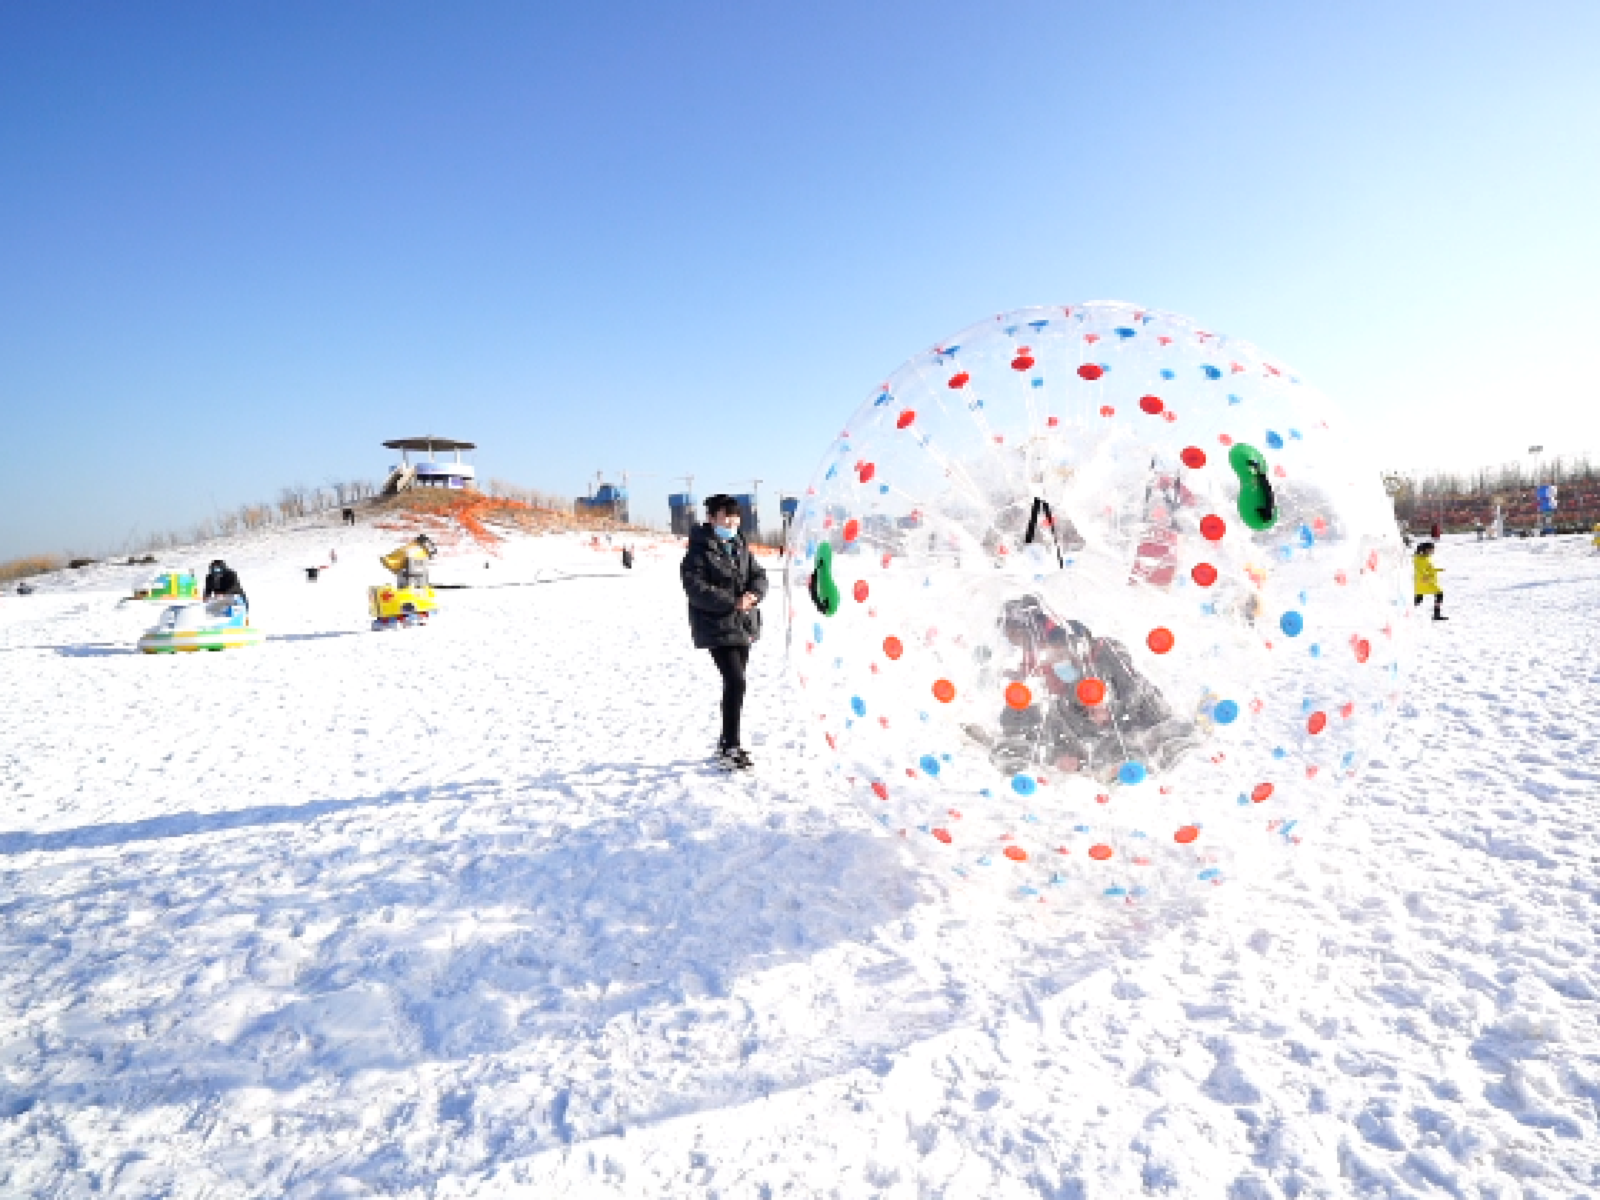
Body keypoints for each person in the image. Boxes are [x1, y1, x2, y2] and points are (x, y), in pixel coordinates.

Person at [681, 494, 768, 769]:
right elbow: (695, 587)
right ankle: (731, 746)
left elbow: (760, 575)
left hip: (743, 624)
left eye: (735, 516)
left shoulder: (740, 545)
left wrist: (753, 595)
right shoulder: (699, 549)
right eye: (725, 517)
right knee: (736, 680)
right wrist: (732, 602)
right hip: (716, 625)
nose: (731, 522)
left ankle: (725, 741)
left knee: (735, 684)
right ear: (711, 518)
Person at [1413, 542, 1446, 621]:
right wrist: (1427, 576)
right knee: (1439, 593)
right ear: (1426, 549)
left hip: (1422, 581)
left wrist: (1437, 570)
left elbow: (1428, 568)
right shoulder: (1419, 559)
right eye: (1431, 550)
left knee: (1419, 598)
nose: (1433, 551)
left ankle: (1410, 613)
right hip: (1424, 581)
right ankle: (1436, 614)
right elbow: (1420, 570)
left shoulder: (1424, 557)